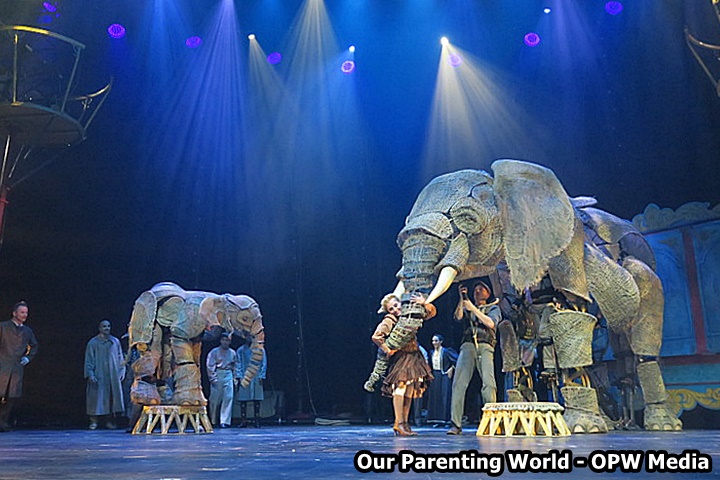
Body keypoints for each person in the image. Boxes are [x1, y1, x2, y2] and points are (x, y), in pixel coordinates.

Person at [373, 292, 434, 436]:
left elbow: (430, 313)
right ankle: (399, 422)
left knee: (409, 391)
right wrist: (387, 350)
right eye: (391, 309)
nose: (395, 309)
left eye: (396, 305)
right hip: (402, 357)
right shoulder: (390, 320)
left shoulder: (409, 314)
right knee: (400, 388)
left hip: (413, 355)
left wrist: (423, 302)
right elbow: (376, 336)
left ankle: (404, 423)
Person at [447, 280, 501, 435]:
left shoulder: (493, 308)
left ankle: (491, 422)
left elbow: (490, 324)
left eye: (481, 289)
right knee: (459, 383)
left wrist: (474, 310)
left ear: (488, 293)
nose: (477, 291)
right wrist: (462, 299)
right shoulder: (467, 307)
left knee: (489, 384)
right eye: (475, 289)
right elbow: (458, 317)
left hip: (485, 346)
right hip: (468, 346)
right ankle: (456, 424)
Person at [0, 301, 39, 432]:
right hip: (2, 366)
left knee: (12, 396)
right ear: (14, 313)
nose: (25, 315)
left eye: (26, 313)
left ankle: (3, 422)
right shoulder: (3, 327)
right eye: (22, 312)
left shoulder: (27, 331)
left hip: (16, 368)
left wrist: (27, 358)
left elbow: (34, 345)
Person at [84, 319, 126, 429]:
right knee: (96, 398)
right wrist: (90, 374)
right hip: (99, 373)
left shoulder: (115, 341)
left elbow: (120, 357)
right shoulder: (93, 342)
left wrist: (122, 371)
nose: (107, 328)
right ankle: (93, 421)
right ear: (99, 328)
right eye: (104, 326)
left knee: (110, 398)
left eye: (108, 326)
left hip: (112, 374)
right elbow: (88, 360)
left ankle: (109, 421)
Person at [235, 336, 267, 428]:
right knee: (243, 399)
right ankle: (243, 420)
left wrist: (262, 375)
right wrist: (239, 376)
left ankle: (257, 420)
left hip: (256, 376)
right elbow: (238, 363)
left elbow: (264, 363)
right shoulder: (241, 350)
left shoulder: (260, 349)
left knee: (257, 399)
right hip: (245, 375)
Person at [425, 334, 457, 425]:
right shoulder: (431, 352)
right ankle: (435, 420)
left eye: (436, 341)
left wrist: (452, 368)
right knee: (435, 397)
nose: (434, 343)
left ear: (440, 341)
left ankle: (446, 420)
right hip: (435, 375)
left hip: (444, 375)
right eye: (433, 341)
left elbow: (457, 360)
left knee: (444, 397)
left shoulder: (446, 351)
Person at [206, 332, 236, 428]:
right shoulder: (214, 352)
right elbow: (210, 365)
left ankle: (225, 421)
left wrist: (235, 378)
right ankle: (213, 420)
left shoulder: (232, 353)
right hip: (218, 373)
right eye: (223, 340)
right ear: (220, 341)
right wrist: (212, 378)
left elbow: (235, 366)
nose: (225, 342)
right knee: (214, 399)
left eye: (227, 340)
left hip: (228, 374)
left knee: (228, 397)